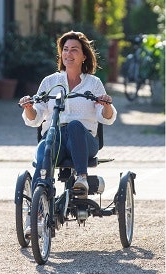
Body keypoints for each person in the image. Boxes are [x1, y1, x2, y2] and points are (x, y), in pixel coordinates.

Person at [19, 31, 117, 200]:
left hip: (83, 141)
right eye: (65, 49)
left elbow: (106, 117)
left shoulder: (94, 83)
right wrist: (28, 107)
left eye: (74, 50)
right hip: (55, 138)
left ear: (84, 56)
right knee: (44, 152)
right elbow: (35, 117)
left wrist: (106, 105)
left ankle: (81, 179)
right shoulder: (50, 82)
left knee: (75, 125)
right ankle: (38, 207)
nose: (68, 54)